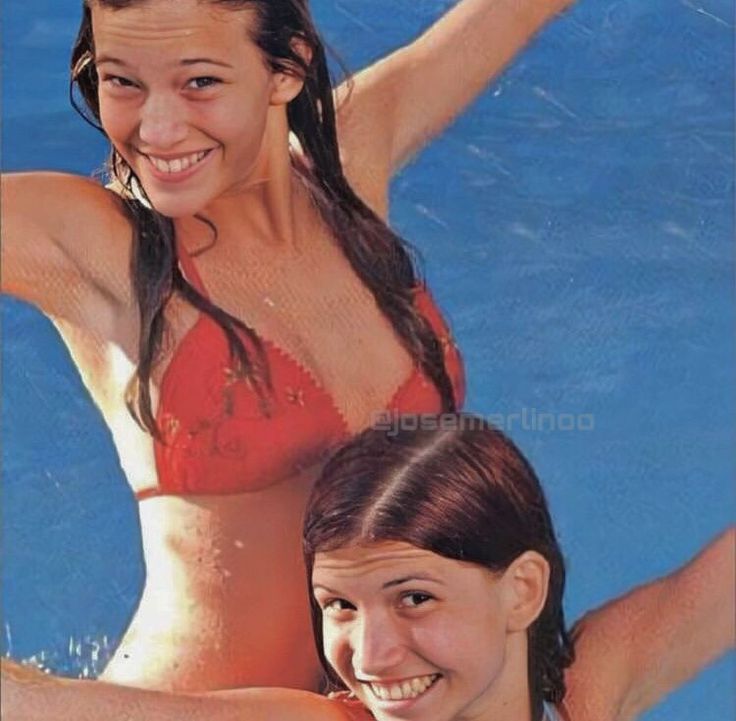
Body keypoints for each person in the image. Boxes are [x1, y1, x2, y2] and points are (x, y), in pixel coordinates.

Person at [0, 0, 575, 692]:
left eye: (199, 83)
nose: (155, 127)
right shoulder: (100, 247)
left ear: (288, 68)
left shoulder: (347, 167)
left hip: (390, 696)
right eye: (123, 82)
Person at [3, 415, 734, 721]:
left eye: (413, 597)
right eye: (339, 605)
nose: (372, 657)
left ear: (523, 590)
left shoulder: (581, 693)